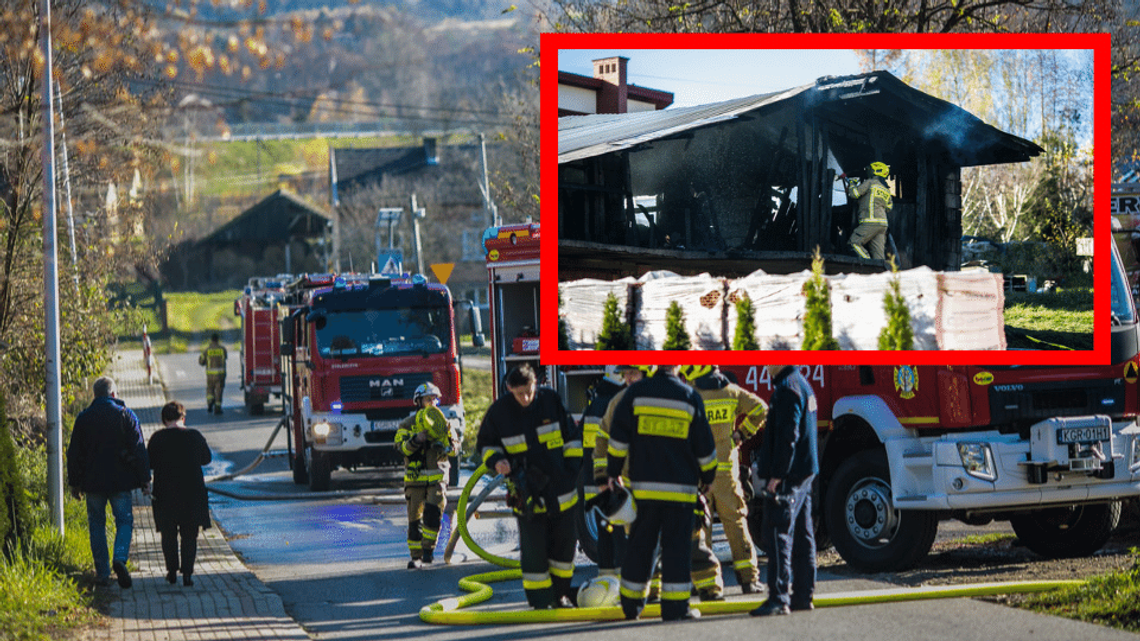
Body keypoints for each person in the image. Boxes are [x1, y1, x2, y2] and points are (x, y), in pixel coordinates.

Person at [606, 365, 717, 622]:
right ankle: (675, 610)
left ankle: (631, 607)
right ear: (677, 366)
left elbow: (617, 439)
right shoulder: (689, 396)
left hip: (644, 490)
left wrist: (613, 472)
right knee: (677, 550)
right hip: (680, 493)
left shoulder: (636, 394)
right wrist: (708, 478)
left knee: (640, 547)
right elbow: (705, 448)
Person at [476, 364, 582, 609]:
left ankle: (561, 596)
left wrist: (571, 471)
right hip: (527, 495)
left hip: (562, 493)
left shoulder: (551, 401)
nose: (526, 398)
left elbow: (573, 439)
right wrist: (496, 461)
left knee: (564, 552)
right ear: (509, 388)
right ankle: (540, 601)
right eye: (520, 393)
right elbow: (485, 445)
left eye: (530, 391)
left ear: (537, 385)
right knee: (534, 554)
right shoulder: (499, 413)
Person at [680, 365, 767, 597]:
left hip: (700, 475)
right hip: (727, 473)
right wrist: (741, 434)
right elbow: (761, 408)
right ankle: (749, 580)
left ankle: (704, 583)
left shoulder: (690, 396)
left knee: (700, 527)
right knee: (736, 523)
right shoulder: (731, 391)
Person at [66, 376, 150, 588]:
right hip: (121, 482)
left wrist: (74, 483)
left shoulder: (84, 418)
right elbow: (139, 449)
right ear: (113, 394)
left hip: (92, 483)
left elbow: (73, 453)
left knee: (96, 525)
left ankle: (102, 574)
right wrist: (145, 480)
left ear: (95, 395)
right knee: (124, 521)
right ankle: (119, 559)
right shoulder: (125, 415)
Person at [750, 365, 819, 616]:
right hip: (804, 472)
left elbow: (788, 435)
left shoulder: (787, 389)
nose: (765, 365)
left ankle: (778, 598)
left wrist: (777, 475)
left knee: (778, 533)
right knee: (802, 534)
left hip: (788, 476)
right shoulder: (802, 383)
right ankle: (802, 595)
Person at [588, 365, 651, 578]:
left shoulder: (659, 395)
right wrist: (602, 477)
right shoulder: (618, 401)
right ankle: (644, 587)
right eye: (626, 374)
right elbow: (603, 439)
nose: (629, 378)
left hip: (659, 479)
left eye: (634, 373)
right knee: (635, 539)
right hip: (629, 482)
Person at [147, 401, 212, 587]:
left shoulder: (157, 438)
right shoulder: (195, 436)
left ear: (164, 420)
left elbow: (148, 464)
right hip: (192, 495)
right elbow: (206, 459)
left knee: (168, 535)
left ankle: (172, 571)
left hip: (165, 495)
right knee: (189, 535)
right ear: (183, 418)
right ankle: (188, 575)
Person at [394, 382, 457, 569]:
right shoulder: (408, 424)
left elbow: (455, 449)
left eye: (434, 399)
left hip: (437, 478)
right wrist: (416, 440)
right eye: (428, 399)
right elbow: (401, 448)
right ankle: (416, 556)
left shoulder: (443, 423)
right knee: (414, 519)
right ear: (418, 401)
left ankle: (428, 551)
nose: (432, 403)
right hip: (415, 480)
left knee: (432, 513)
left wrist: (444, 446)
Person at [845, 161, 893, 261]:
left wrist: (852, 184)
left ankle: (868, 264)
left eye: (870, 169)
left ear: (875, 171)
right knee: (879, 257)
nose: (867, 170)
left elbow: (854, 194)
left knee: (854, 243)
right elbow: (889, 207)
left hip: (870, 222)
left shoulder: (870, 182)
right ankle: (879, 272)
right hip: (883, 225)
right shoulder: (886, 190)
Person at [199, 333, 228, 415]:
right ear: (218, 339)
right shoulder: (222, 349)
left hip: (210, 375)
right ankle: (217, 408)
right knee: (219, 391)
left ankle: (210, 402)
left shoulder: (207, 350)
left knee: (210, 389)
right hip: (220, 375)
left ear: (211, 340)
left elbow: (201, 361)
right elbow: (225, 357)